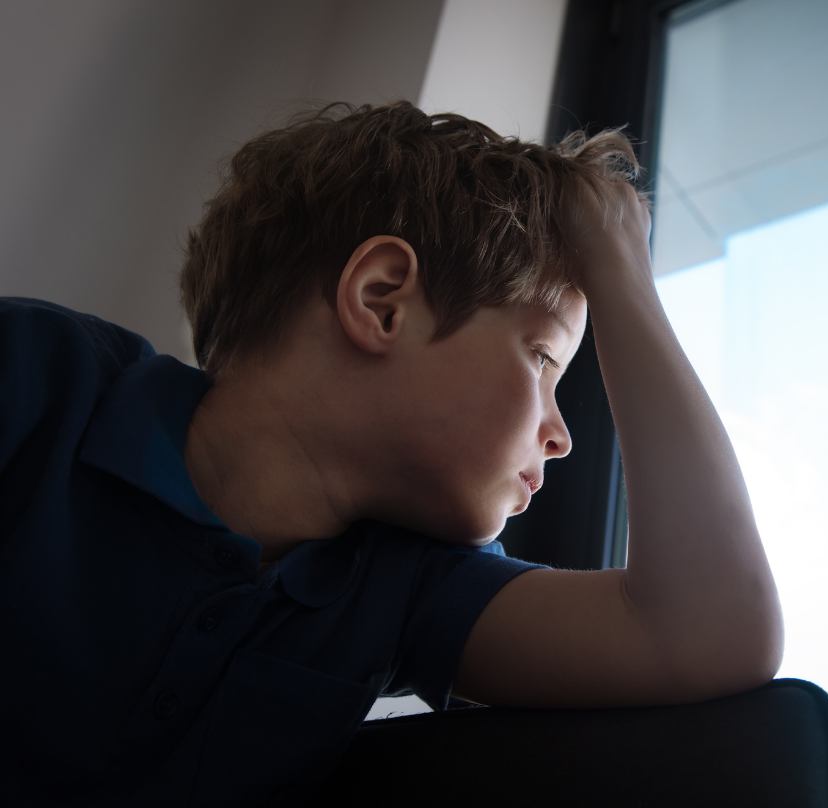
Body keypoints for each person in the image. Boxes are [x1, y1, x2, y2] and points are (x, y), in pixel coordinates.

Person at [0, 101, 782, 805]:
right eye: (544, 360)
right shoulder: (38, 375)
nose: (562, 434)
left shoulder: (405, 587)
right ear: (381, 300)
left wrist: (621, 269)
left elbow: (712, 629)